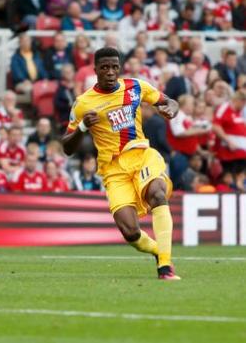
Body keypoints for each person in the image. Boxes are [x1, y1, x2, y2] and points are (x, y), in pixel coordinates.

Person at [61, 47, 181, 280]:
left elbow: (169, 101)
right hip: (113, 170)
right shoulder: (83, 103)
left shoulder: (136, 86)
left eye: (114, 67)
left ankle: (165, 267)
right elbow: (67, 147)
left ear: (120, 68)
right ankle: (158, 251)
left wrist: (171, 109)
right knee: (130, 231)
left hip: (141, 154)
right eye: (104, 67)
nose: (109, 72)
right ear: (95, 70)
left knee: (157, 193)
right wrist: (84, 127)